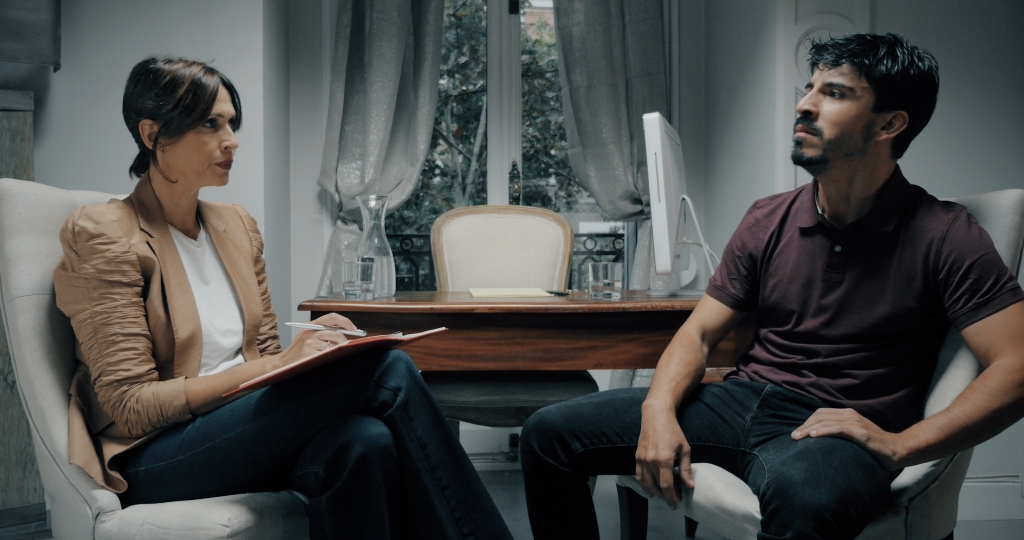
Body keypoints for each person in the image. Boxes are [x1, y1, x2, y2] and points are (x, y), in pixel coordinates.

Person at [521, 33, 1024, 540]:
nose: (804, 105)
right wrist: (657, 408)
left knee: (807, 501)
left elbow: (1018, 366)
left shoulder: (944, 233)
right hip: (738, 401)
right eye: (809, 88)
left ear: (889, 124)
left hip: (833, 429)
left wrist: (901, 445)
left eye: (835, 93)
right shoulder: (767, 217)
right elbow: (698, 335)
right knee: (548, 434)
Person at [53, 56, 513, 540]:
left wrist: (312, 348)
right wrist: (280, 365)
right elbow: (131, 405)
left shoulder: (235, 226)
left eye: (231, 123)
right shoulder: (105, 233)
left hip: (238, 428)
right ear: (152, 135)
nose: (231, 140)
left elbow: (266, 356)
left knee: (365, 441)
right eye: (210, 124)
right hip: (156, 455)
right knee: (387, 368)